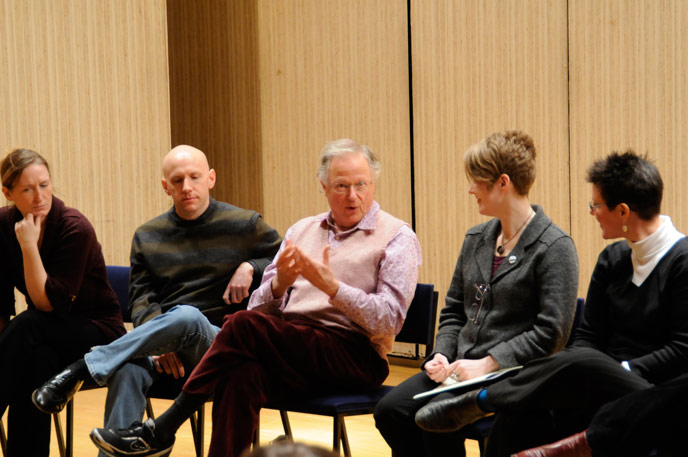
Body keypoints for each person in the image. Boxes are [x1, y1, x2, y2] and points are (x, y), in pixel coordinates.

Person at [88, 138, 422, 457]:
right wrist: (278, 288)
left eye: (361, 184)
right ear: (323, 186)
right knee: (239, 374)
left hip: (354, 353)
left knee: (244, 325)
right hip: (292, 349)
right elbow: (258, 305)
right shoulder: (301, 230)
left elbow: (389, 320)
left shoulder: (397, 237)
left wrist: (334, 288)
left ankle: (165, 426)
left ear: (373, 185)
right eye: (341, 186)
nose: (353, 196)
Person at [414, 150, 688, 457]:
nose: (592, 212)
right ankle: (489, 402)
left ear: (623, 212)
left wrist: (617, 369)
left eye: (595, 205)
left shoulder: (682, 262)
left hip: (653, 391)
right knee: (527, 408)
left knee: (580, 362)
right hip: (598, 378)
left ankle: (483, 400)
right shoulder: (612, 259)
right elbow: (589, 337)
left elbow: (682, 350)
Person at [31, 145, 282, 456]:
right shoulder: (147, 236)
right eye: (177, 181)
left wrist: (251, 266)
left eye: (195, 177)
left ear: (211, 178)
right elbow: (141, 299)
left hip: (220, 345)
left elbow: (285, 258)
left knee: (188, 317)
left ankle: (83, 368)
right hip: (168, 352)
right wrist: (160, 345)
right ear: (166, 186)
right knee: (126, 369)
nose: (187, 187)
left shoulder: (245, 224)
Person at [373, 130, 579, 456]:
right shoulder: (476, 238)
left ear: (503, 183)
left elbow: (552, 333)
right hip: (460, 368)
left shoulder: (554, 247)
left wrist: (488, 363)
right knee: (390, 411)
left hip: (515, 375)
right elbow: (455, 309)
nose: (470, 189)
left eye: (476, 181)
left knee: (435, 417)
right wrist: (441, 353)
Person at [0, 148, 126, 456]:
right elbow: (1, 298)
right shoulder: (3, 225)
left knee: (29, 326)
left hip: (98, 334)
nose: (39, 196)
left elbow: (47, 306)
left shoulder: (74, 228)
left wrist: (29, 246)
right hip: (45, 335)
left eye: (44, 185)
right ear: (8, 193)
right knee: (35, 362)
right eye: (27, 189)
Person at [512, 371, 688, 457]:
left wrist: (626, 367)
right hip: (605, 364)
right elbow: (588, 334)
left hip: (648, 378)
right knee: (518, 409)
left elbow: (679, 347)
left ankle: (587, 443)